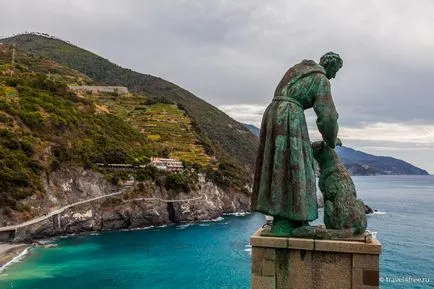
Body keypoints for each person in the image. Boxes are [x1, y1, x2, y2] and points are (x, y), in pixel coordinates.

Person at [252, 51, 343, 236]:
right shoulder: (321, 79)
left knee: (280, 165)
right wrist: (331, 140)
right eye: (335, 71)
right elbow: (328, 116)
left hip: (273, 113)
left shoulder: (298, 70)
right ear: (331, 67)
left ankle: (288, 218)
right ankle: (286, 221)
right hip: (289, 116)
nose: (334, 76)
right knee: (297, 166)